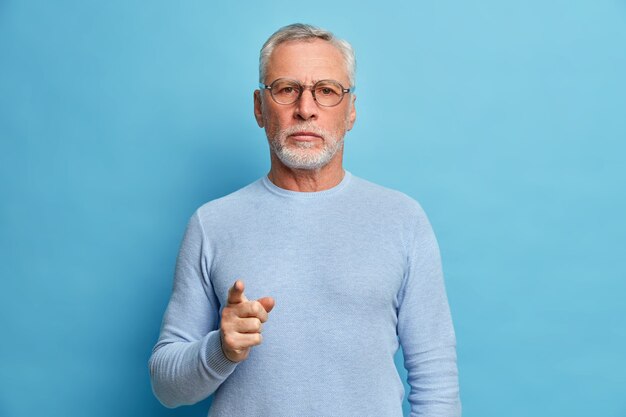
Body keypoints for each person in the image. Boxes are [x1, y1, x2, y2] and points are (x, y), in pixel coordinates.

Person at [149, 23, 461, 416]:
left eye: (327, 91)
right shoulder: (212, 223)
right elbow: (165, 387)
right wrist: (220, 349)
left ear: (351, 112)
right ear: (260, 108)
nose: (306, 108)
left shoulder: (403, 219)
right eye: (286, 89)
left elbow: (437, 380)